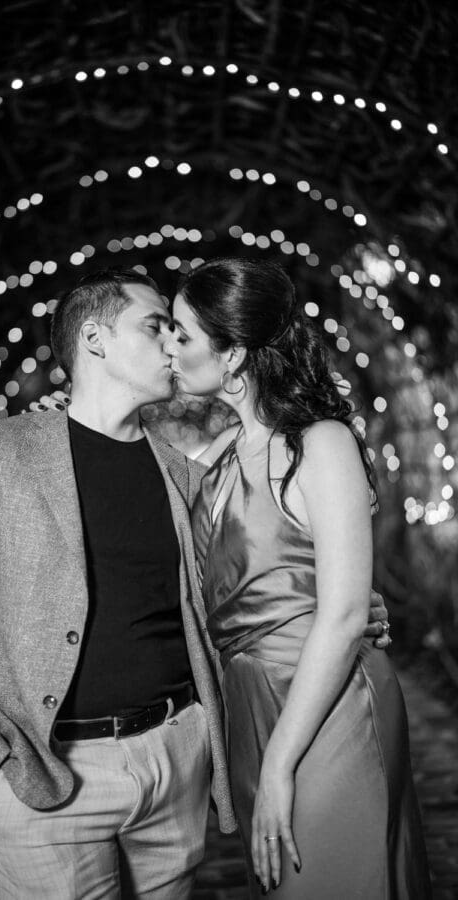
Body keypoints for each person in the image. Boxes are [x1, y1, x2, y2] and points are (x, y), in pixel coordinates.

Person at [0, 266, 390, 900]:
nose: (171, 342)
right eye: (155, 325)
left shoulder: (186, 474)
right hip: (48, 775)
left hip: (176, 759)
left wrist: (349, 604)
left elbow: (266, 562)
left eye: (178, 328)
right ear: (94, 339)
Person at [164, 257, 431, 898]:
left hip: (327, 698)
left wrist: (282, 764)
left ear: (233, 356)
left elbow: (340, 616)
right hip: (251, 706)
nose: (168, 349)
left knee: (338, 876)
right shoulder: (218, 459)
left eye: (181, 334)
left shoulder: (322, 443)